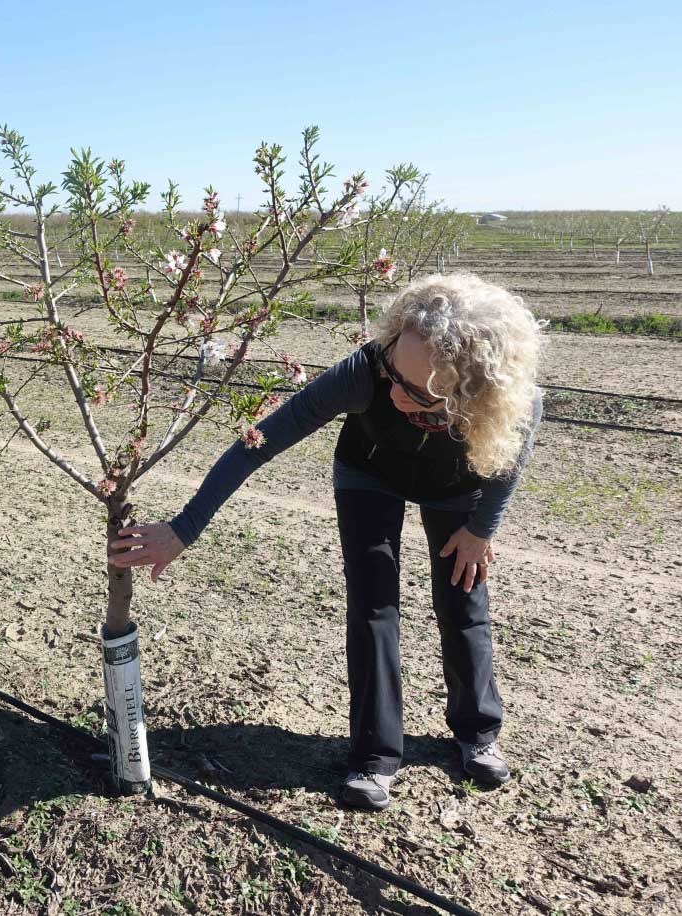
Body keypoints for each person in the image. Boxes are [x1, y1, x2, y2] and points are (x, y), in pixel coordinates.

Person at [110, 273, 544, 812]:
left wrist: (481, 530)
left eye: (408, 390)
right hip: (370, 474)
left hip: (456, 488)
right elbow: (259, 442)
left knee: (462, 601)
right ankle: (375, 755)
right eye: (391, 369)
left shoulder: (500, 400)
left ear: (462, 391)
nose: (388, 390)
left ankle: (477, 732)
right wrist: (185, 528)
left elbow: (508, 460)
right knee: (373, 606)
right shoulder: (368, 370)